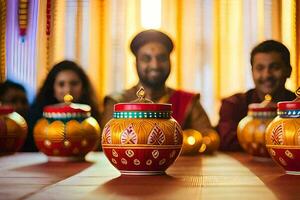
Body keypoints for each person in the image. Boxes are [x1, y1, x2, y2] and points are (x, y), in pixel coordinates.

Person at [101, 29, 213, 139]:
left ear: (170, 62)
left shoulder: (187, 100)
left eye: (162, 58)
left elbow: (209, 138)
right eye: (146, 59)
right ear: (135, 64)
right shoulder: (117, 101)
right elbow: (109, 139)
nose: (155, 65)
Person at [217, 40, 296, 151]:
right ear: (252, 71)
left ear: (288, 71)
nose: (267, 75)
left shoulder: (296, 105)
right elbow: (228, 141)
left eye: (274, 67)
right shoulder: (234, 104)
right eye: (260, 68)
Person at [24, 60, 100, 151]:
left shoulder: (91, 117)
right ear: (52, 88)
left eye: (74, 83)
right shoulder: (37, 117)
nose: (68, 90)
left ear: (83, 87)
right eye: (61, 84)